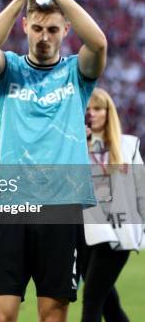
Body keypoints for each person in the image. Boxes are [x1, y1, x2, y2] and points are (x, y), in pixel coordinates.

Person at [0, 0, 107, 322]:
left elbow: (98, 45)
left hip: (61, 206)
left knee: (53, 314)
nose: (45, 37)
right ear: (25, 27)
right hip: (11, 206)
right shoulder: (10, 72)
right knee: (0, 315)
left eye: (53, 29)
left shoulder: (76, 74)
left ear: (66, 30)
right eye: (37, 28)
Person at [81, 87, 144, 322]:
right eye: (88, 110)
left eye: (98, 109)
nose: (93, 114)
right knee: (109, 304)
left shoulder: (127, 146)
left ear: (109, 112)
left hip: (118, 234)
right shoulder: (76, 146)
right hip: (87, 232)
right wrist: (77, 140)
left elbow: (142, 190)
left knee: (92, 299)